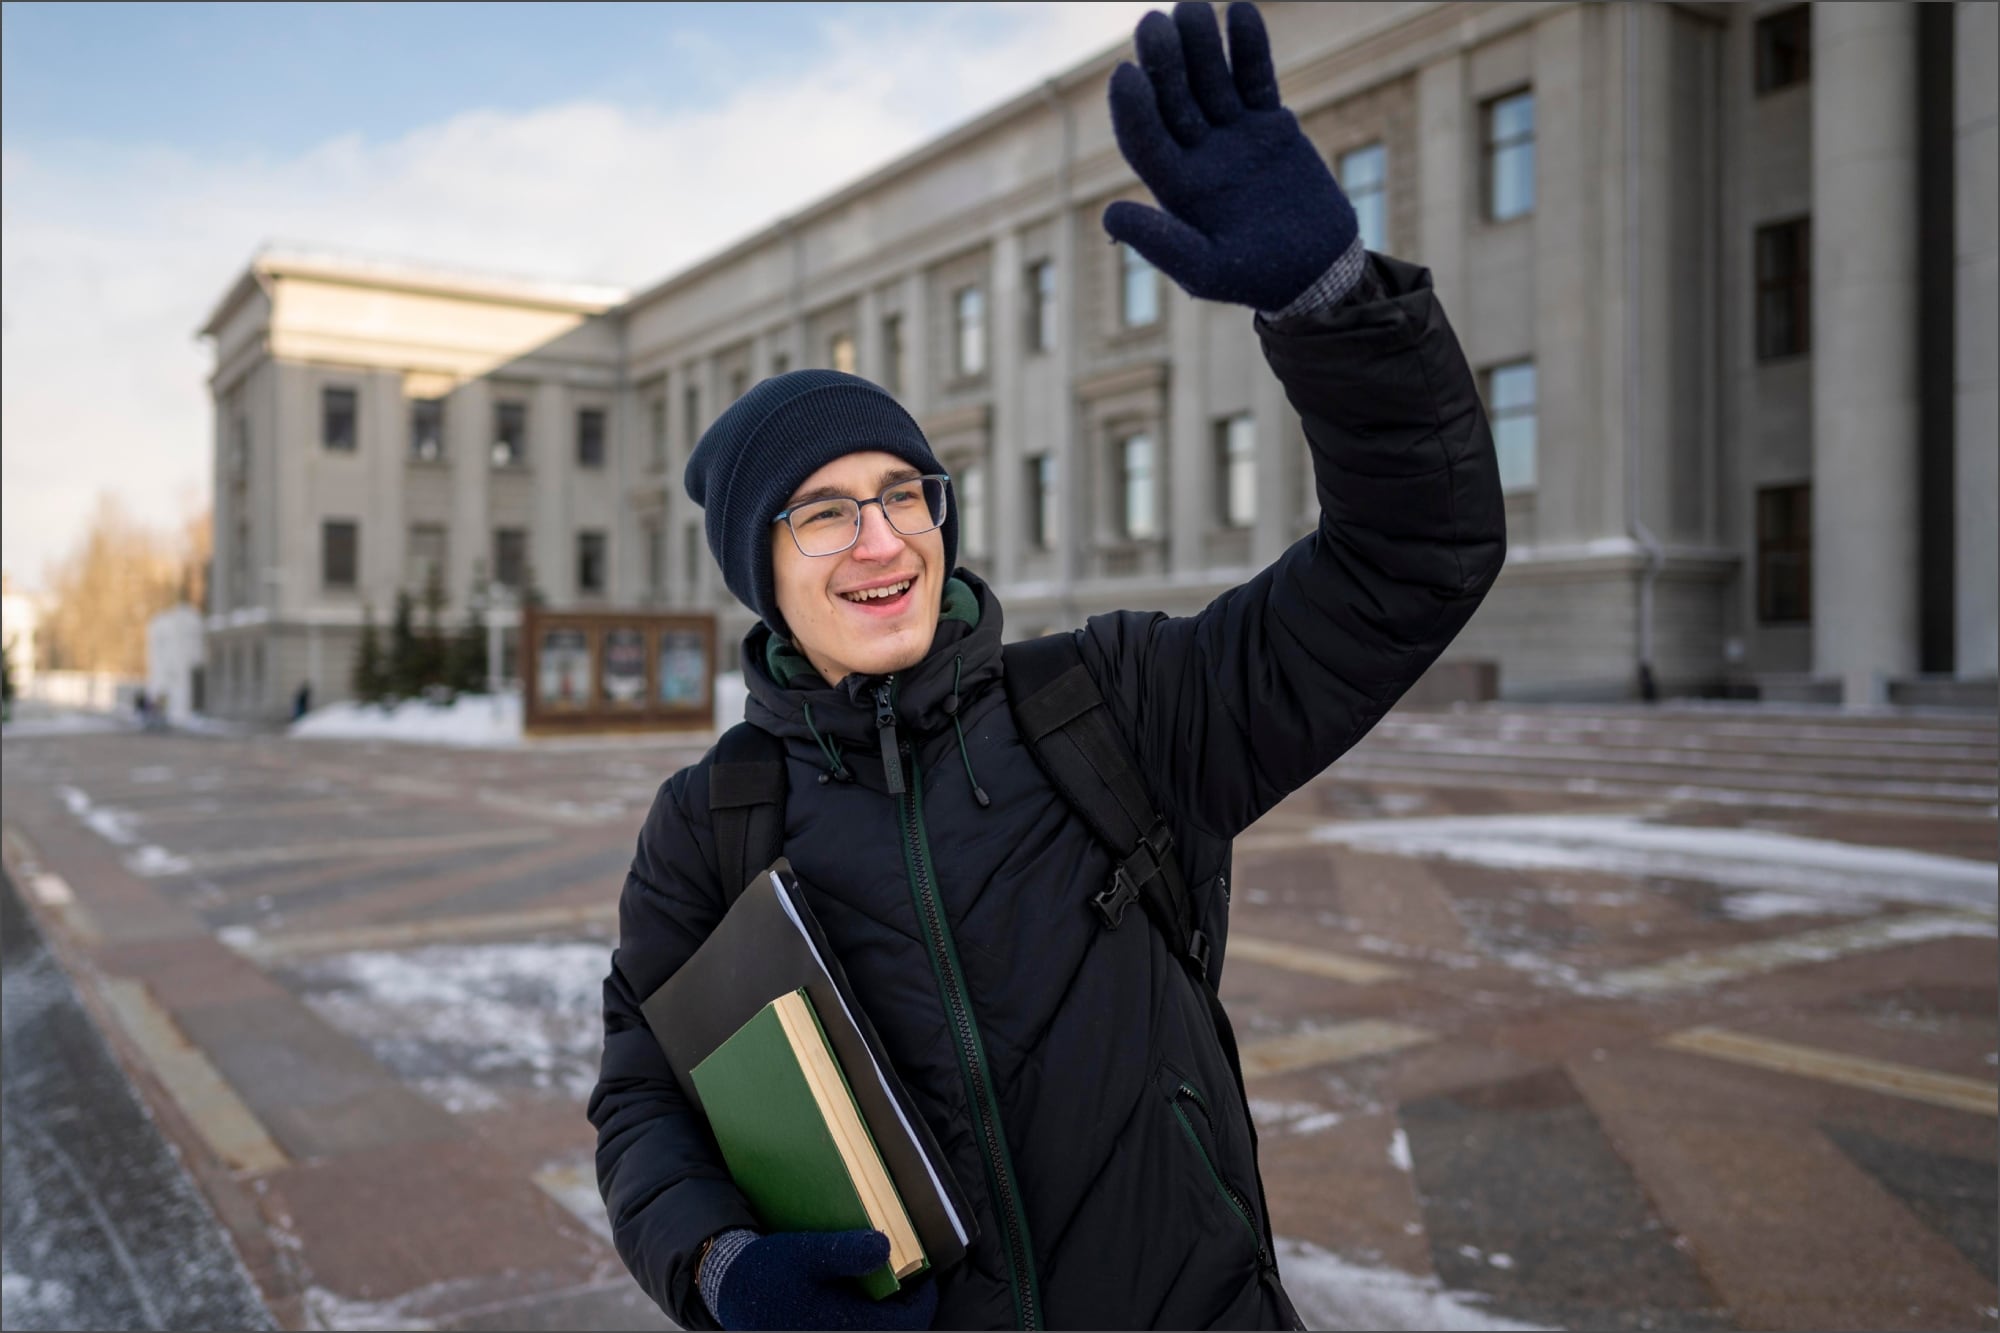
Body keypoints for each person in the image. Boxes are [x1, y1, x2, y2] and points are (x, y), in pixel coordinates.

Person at [589, 4, 1505, 1329]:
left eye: (905, 491)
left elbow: (1412, 558)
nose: (884, 538)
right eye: (827, 510)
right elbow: (641, 1099)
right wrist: (722, 1266)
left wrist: (1333, 304)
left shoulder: (1116, 709)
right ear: (765, 570)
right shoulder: (713, 827)